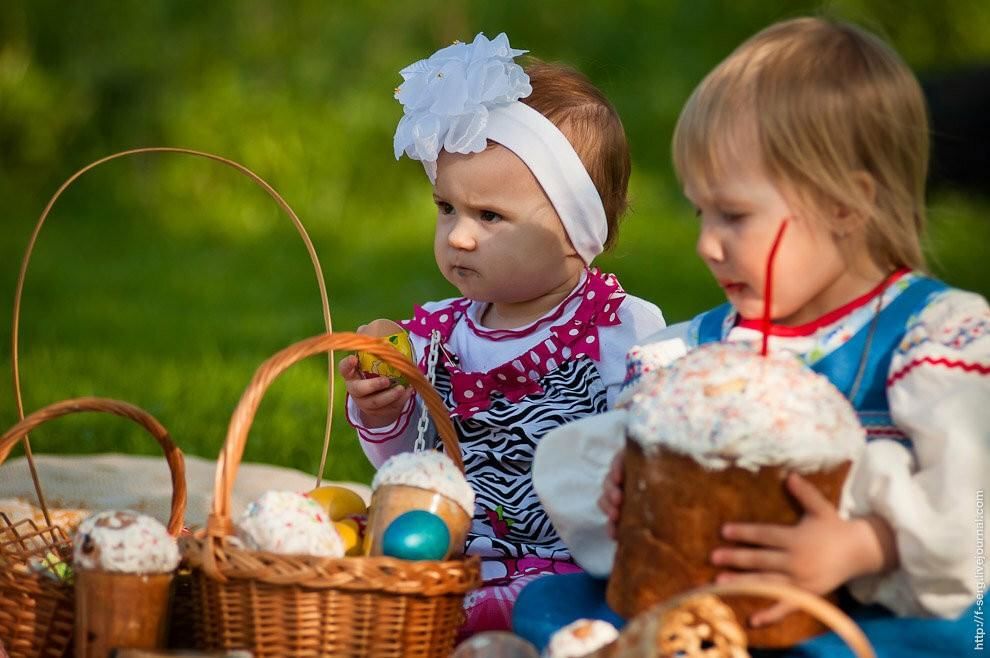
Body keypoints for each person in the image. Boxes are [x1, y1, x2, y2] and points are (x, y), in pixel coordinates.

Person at [523, 17, 989, 657]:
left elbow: (976, 514)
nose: (706, 244)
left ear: (845, 206)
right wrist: (629, 486)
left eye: (734, 215)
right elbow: (633, 463)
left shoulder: (934, 338)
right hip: (712, 603)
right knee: (553, 605)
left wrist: (863, 545)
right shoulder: (706, 352)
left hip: (870, 612)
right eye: (700, 212)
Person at [339, 33, 666, 636]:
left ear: (575, 231)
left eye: (489, 216)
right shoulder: (437, 332)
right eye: (446, 208)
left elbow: (654, 453)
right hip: (450, 562)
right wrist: (386, 410)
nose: (459, 237)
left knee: (559, 618)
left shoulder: (616, 327)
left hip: (567, 567)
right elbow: (409, 467)